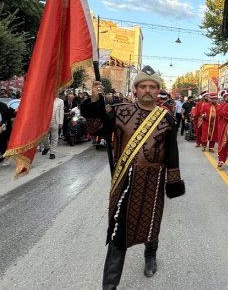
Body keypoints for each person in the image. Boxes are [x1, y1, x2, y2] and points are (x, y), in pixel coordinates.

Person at [81, 66, 184, 289]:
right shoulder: (119, 111)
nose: (147, 90)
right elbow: (97, 129)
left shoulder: (166, 118)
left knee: (151, 222)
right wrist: (94, 103)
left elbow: (172, 152)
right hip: (125, 182)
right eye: (143, 86)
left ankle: (150, 254)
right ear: (135, 89)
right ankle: (109, 286)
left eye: (152, 86)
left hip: (153, 180)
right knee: (118, 232)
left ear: (158, 90)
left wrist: (173, 180)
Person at [41, 95, 64, 160]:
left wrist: (61, 122)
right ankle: (46, 147)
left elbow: (61, 112)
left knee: (54, 138)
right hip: (46, 122)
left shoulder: (60, 101)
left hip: (55, 121)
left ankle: (52, 153)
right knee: (43, 137)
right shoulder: (45, 99)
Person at [215, 91, 228, 167]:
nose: (227, 98)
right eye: (225, 96)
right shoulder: (220, 105)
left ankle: (226, 159)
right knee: (222, 142)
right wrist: (227, 114)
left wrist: (226, 113)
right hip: (222, 126)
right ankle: (221, 159)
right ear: (223, 97)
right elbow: (220, 112)